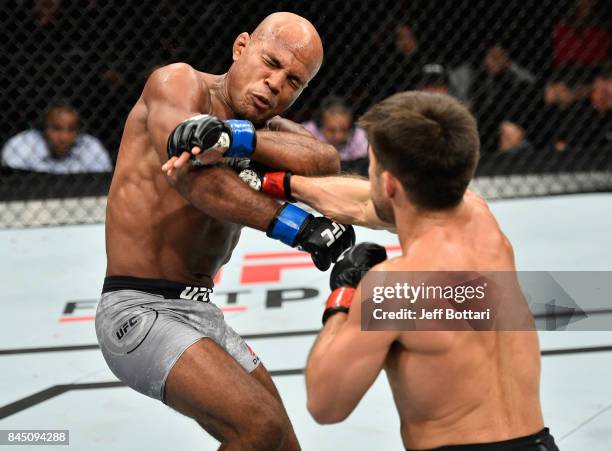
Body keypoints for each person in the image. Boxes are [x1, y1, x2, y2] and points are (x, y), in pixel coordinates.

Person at [95, 12, 355, 451]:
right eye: (270, 62)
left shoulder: (259, 129)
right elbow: (193, 177)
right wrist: (298, 225)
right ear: (240, 48)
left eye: (293, 81)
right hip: (138, 308)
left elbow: (325, 159)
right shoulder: (179, 83)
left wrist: (240, 138)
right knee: (260, 428)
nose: (276, 83)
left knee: (283, 443)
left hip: (200, 313)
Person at [254, 92, 558, 449]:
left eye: (371, 167)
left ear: (390, 184)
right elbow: (364, 202)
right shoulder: (482, 220)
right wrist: (279, 184)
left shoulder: (395, 288)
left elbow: (325, 403)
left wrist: (344, 297)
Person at [1, 101, 112, 173]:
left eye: (72, 129)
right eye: (56, 128)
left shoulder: (90, 146)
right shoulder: (21, 145)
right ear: (43, 129)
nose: (64, 137)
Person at [302, 96, 369, 175]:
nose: (338, 136)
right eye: (332, 130)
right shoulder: (307, 131)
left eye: (344, 130)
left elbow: (363, 165)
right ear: (320, 125)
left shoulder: (359, 135)